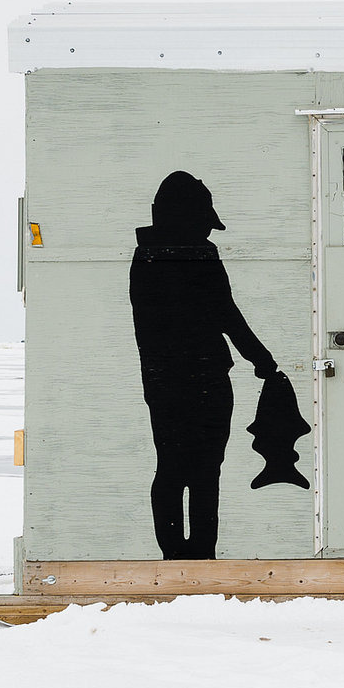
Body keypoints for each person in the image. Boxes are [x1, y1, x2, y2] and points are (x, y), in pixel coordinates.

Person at [129, 172, 276, 559]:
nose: (207, 233)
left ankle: (175, 556)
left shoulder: (143, 256)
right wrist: (262, 360)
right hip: (207, 376)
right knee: (205, 470)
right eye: (202, 222)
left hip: (161, 379)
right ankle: (201, 558)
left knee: (171, 467)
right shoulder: (201, 256)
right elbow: (226, 313)